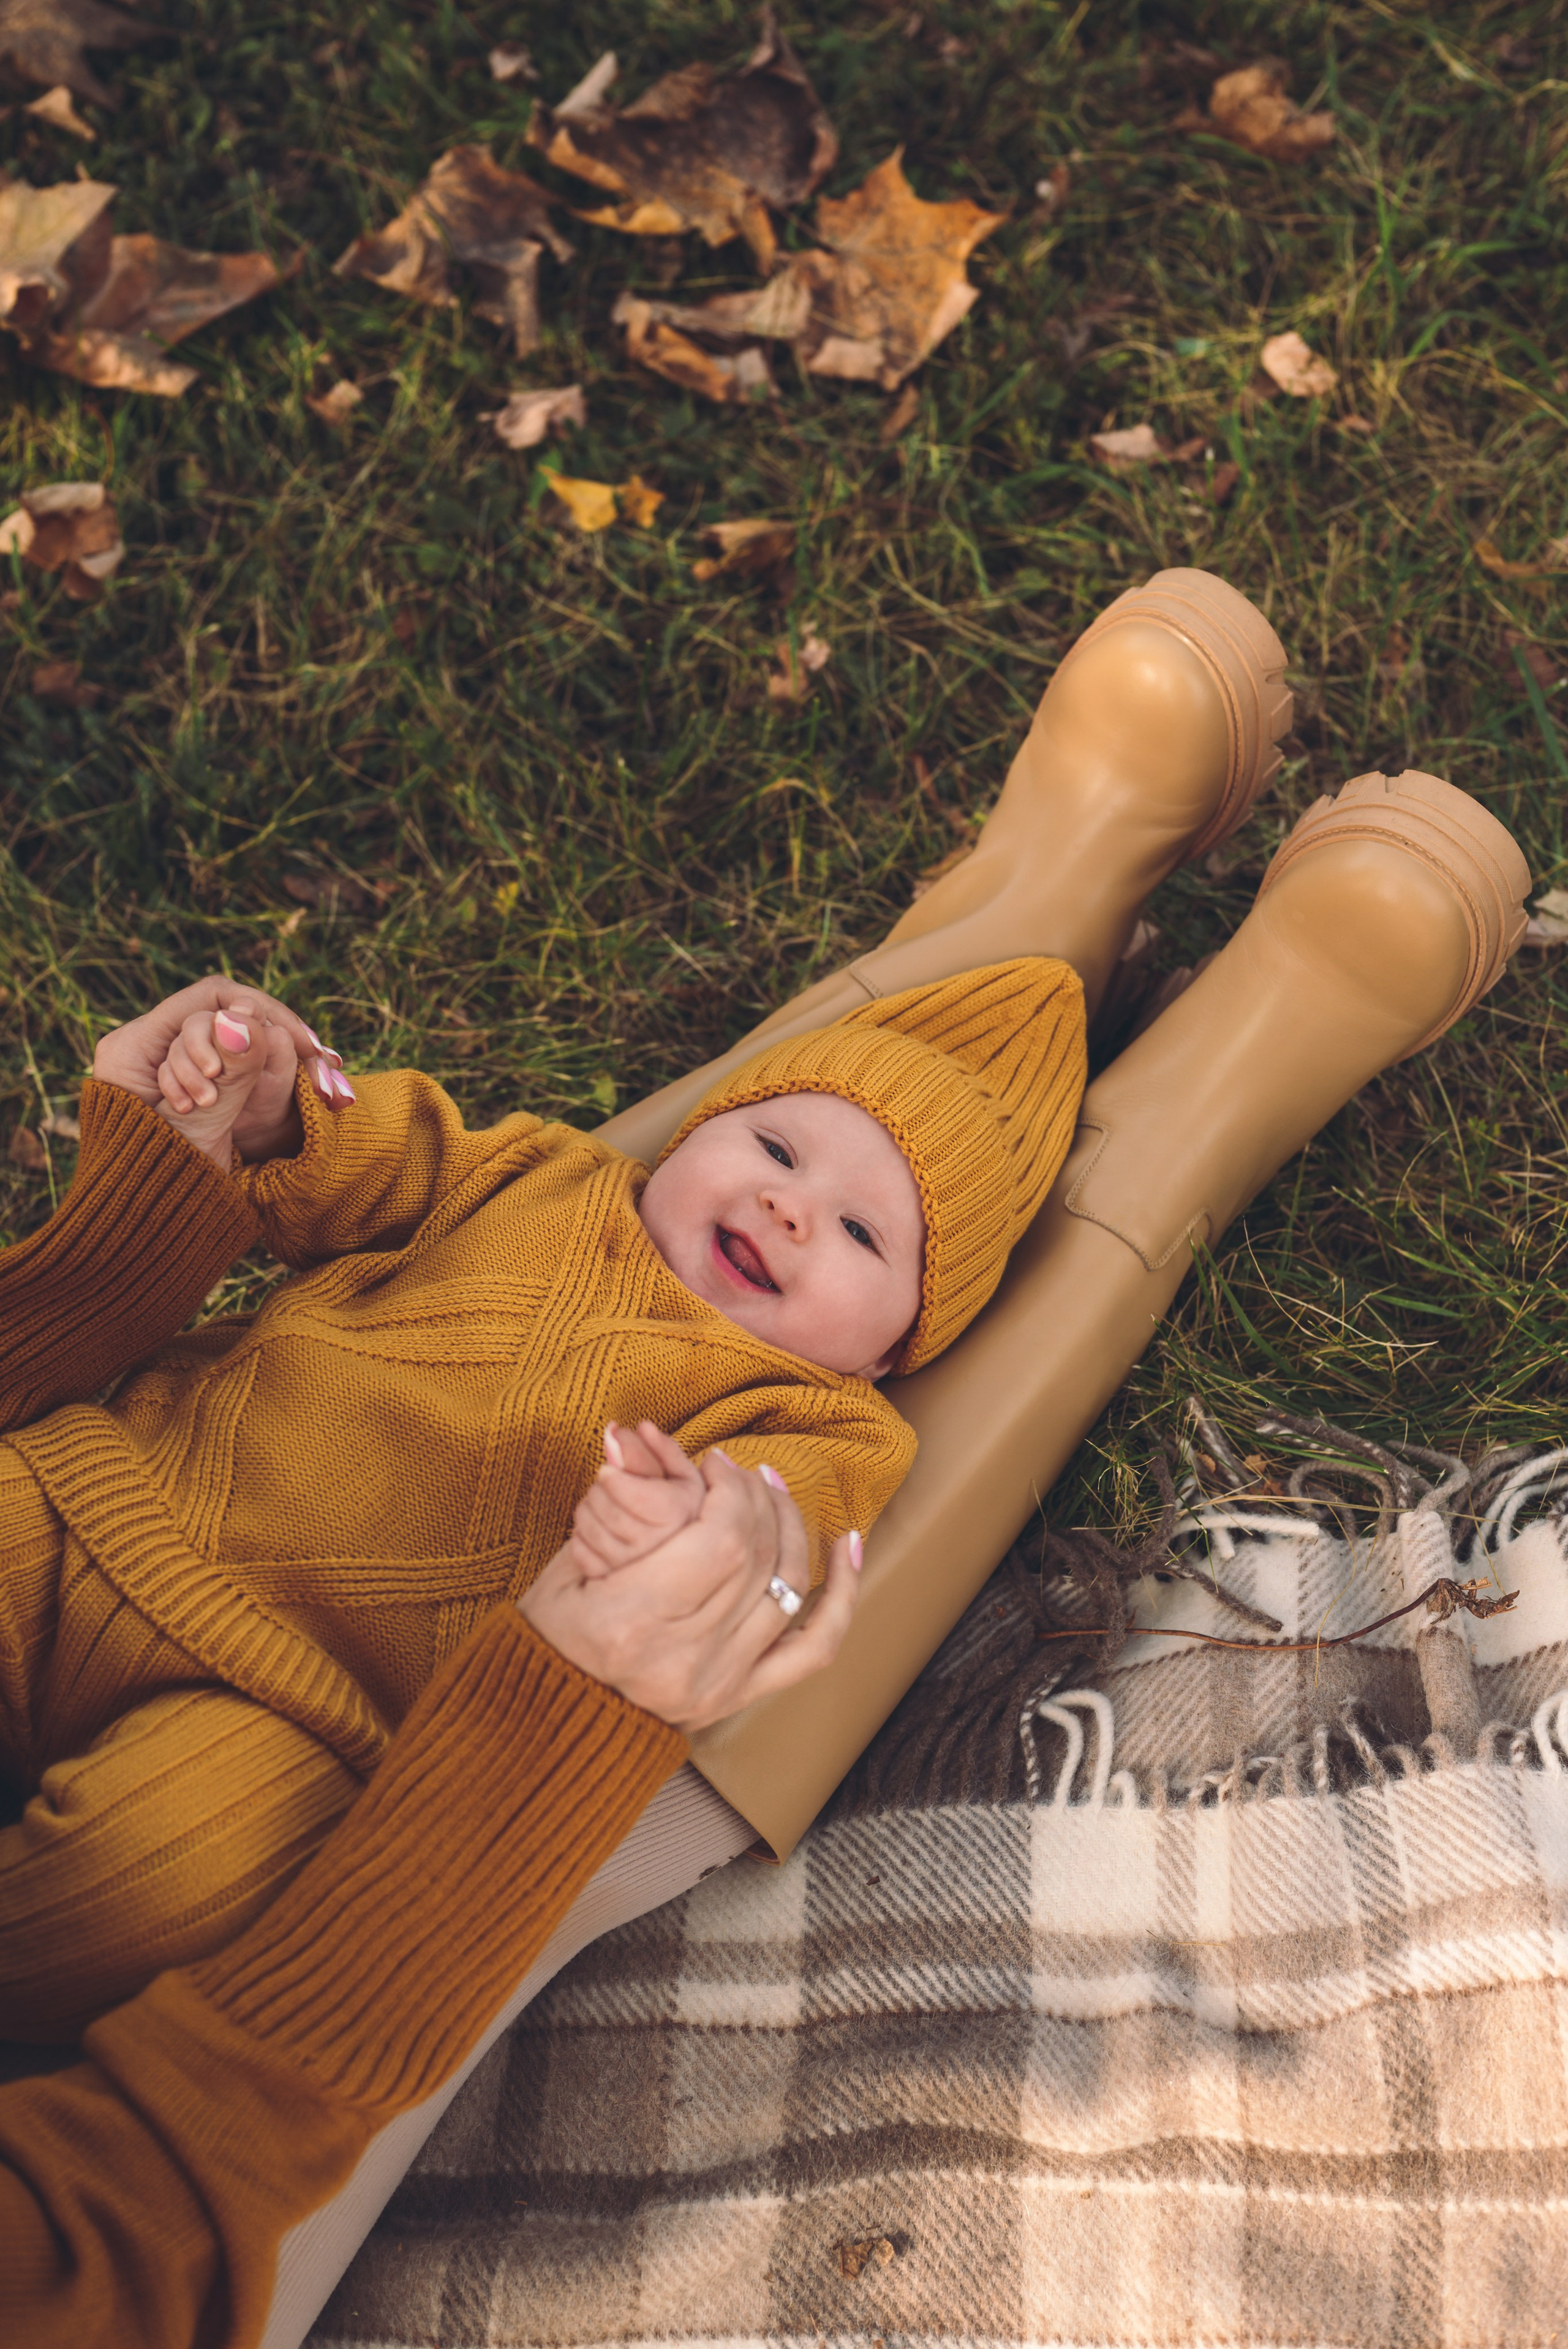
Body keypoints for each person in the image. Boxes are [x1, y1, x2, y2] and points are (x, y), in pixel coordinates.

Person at [0, 955, 1085, 2042]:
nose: (789, 1207)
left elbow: (775, 1535)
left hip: (292, 1710)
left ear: (901, 1346)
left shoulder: (822, 1422)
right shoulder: (542, 1176)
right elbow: (379, 1159)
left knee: (164, 1874)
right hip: (94, 1496)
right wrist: (285, 1113)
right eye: (775, 1147)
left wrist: (694, 1541)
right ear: (692, 1137)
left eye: (862, 1234)